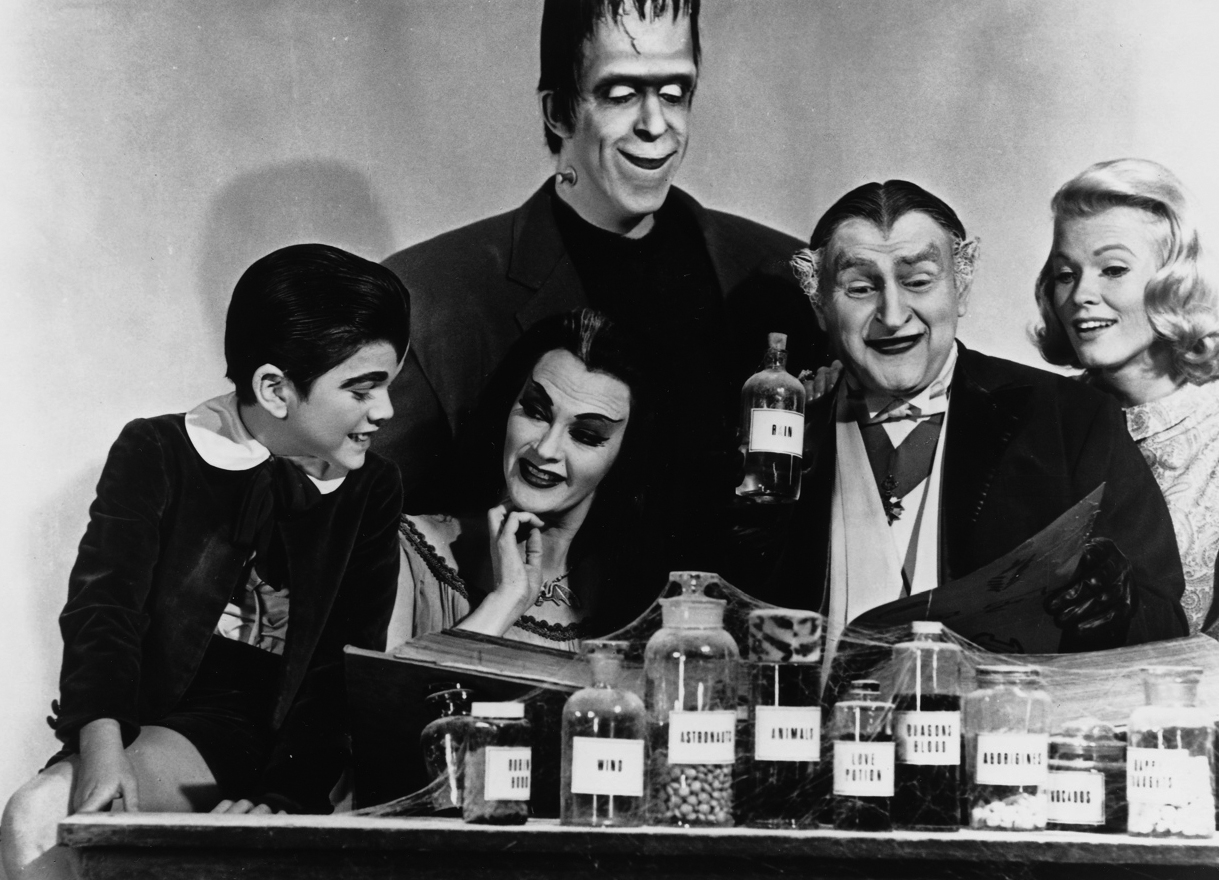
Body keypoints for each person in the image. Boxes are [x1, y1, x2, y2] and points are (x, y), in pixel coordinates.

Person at [377, 0, 826, 590]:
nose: (655, 125)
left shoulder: (786, 276)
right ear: (558, 111)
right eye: (620, 94)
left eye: (675, 93)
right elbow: (373, 554)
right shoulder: (428, 297)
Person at [2, 244, 409, 879]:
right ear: (274, 388)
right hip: (150, 724)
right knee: (36, 819)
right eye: (363, 389)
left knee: (42, 819)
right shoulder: (157, 448)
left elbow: (342, 669)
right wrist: (102, 748)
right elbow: (103, 611)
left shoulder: (372, 489)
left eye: (388, 384)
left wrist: (285, 799)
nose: (385, 411)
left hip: (274, 741)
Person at [731, 179, 1187, 656]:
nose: (892, 314)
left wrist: (1121, 606)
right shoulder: (786, 429)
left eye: (918, 281)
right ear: (820, 304)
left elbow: (1165, 624)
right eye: (861, 287)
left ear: (961, 287)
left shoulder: (1072, 419)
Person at [386, 309, 651, 653]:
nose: (546, 449)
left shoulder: (630, 598)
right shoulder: (401, 548)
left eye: (586, 435)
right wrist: (506, 600)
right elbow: (389, 686)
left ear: (624, 455)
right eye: (536, 412)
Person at [1034, 158, 1219, 634]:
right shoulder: (1040, 420)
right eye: (1065, 274)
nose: (1080, 295)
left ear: (1175, 281)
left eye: (1113, 269)